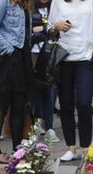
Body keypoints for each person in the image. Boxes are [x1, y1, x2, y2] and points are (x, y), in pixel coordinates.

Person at [50, 0, 93, 162]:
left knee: (84, 102)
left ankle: (86, 147)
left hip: (86, 57)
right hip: (64, 57)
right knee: (66, 103)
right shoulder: (57, 2)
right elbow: (50, 26)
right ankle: (71, 147)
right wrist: (57, 26)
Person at [0, 0, 30, 164]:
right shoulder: (2, 2)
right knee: (1, 104)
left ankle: (18, 150)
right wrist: (8, 49)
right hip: (4, 58)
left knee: (19, 104)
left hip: (18, 57)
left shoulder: (21, 4)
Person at [27, 0, 54, 134]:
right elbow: (28, 29)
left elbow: (56, 28)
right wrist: (46, 28)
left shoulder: (55, 7)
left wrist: (43, 28)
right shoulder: (29, 8)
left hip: (50, 53)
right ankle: (37, 123)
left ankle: (49, 126)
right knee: (35, 91)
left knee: (50, 91)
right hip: (33, 53)